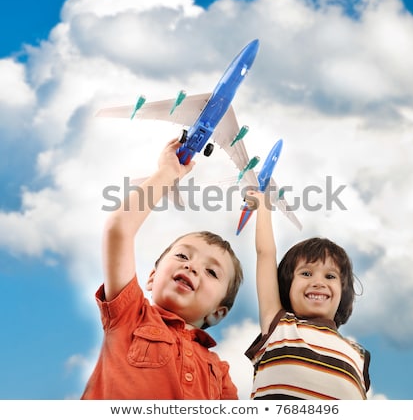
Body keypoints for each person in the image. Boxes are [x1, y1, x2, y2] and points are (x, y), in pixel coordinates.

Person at [81, 138, 243, 400]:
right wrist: (167, 173)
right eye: (182, 255)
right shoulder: (130, 315)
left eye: (211, 272)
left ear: (218, 313)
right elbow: (119, 229)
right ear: (153, 276)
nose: (191, 266)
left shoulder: (219, 373)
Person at [244, 190, 370, 400]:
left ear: (342, 292)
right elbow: (265, 254)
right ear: (287, 285)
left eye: (330, 276)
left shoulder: (358, 355)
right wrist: (263, 207)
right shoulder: (278, 325)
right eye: (306, 273)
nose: (318, 282)